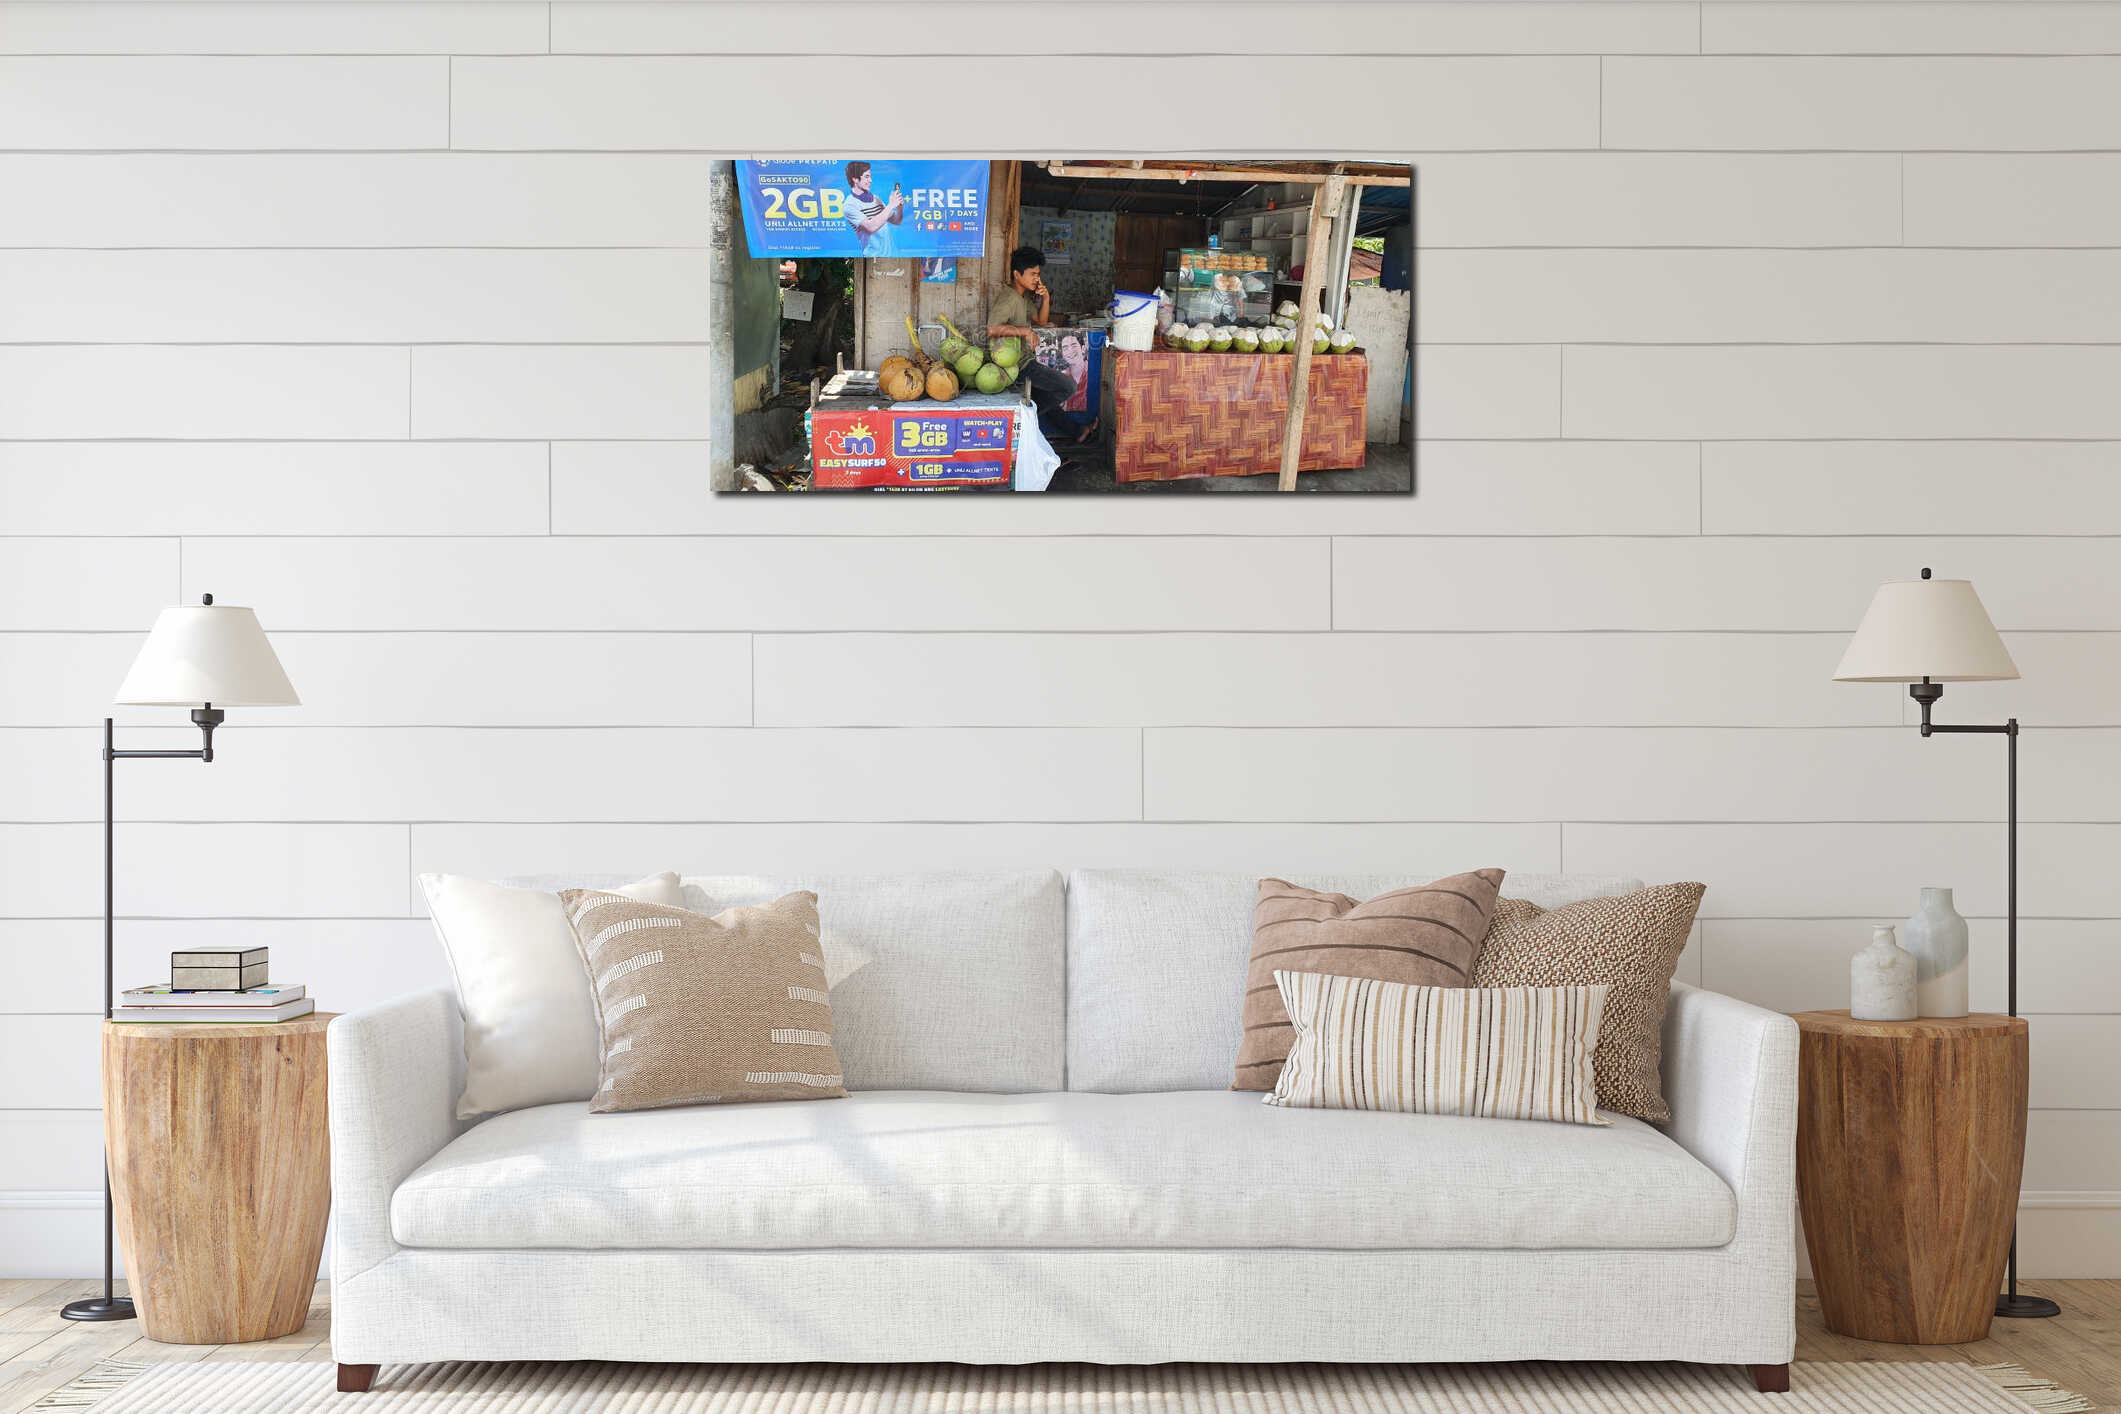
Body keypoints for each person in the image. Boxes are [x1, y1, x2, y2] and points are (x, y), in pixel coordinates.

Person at [988, 245, 1075, 422]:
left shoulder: (1024, 297)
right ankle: (1025, 418)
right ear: (1017, 274)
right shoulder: (1008, 298)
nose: (1037, 278)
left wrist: (1046, 299)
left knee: (1044, 398)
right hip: (1017, 365)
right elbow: (992, 329)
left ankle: (1077, 431)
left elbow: (1040, 320)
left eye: (1038, 274)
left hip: (1025, 359)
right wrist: (1024, 331)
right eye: (1032, 274)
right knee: (1068, 387)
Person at [843, 160, 903, 256]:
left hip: (893, 255)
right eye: (866, 176)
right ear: (855, 179)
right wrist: (891, 205)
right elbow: (871, 227)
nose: (870, 180)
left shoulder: (875, 198)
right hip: (874, 258)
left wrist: (899, 206)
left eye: (870, 176)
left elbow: (896, 221)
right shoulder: (849, 205)